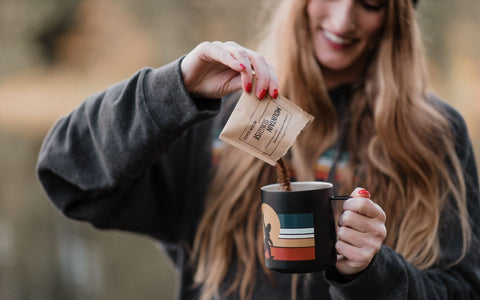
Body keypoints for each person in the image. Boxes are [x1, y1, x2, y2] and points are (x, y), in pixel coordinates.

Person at [36, 0, 480, 299]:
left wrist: (373, 274)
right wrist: (175, 90)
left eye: (370, 2)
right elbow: (69, 176)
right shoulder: (212, 110)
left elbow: (462, 288)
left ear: (396, 16)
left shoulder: (435, 132)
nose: (344, 20)